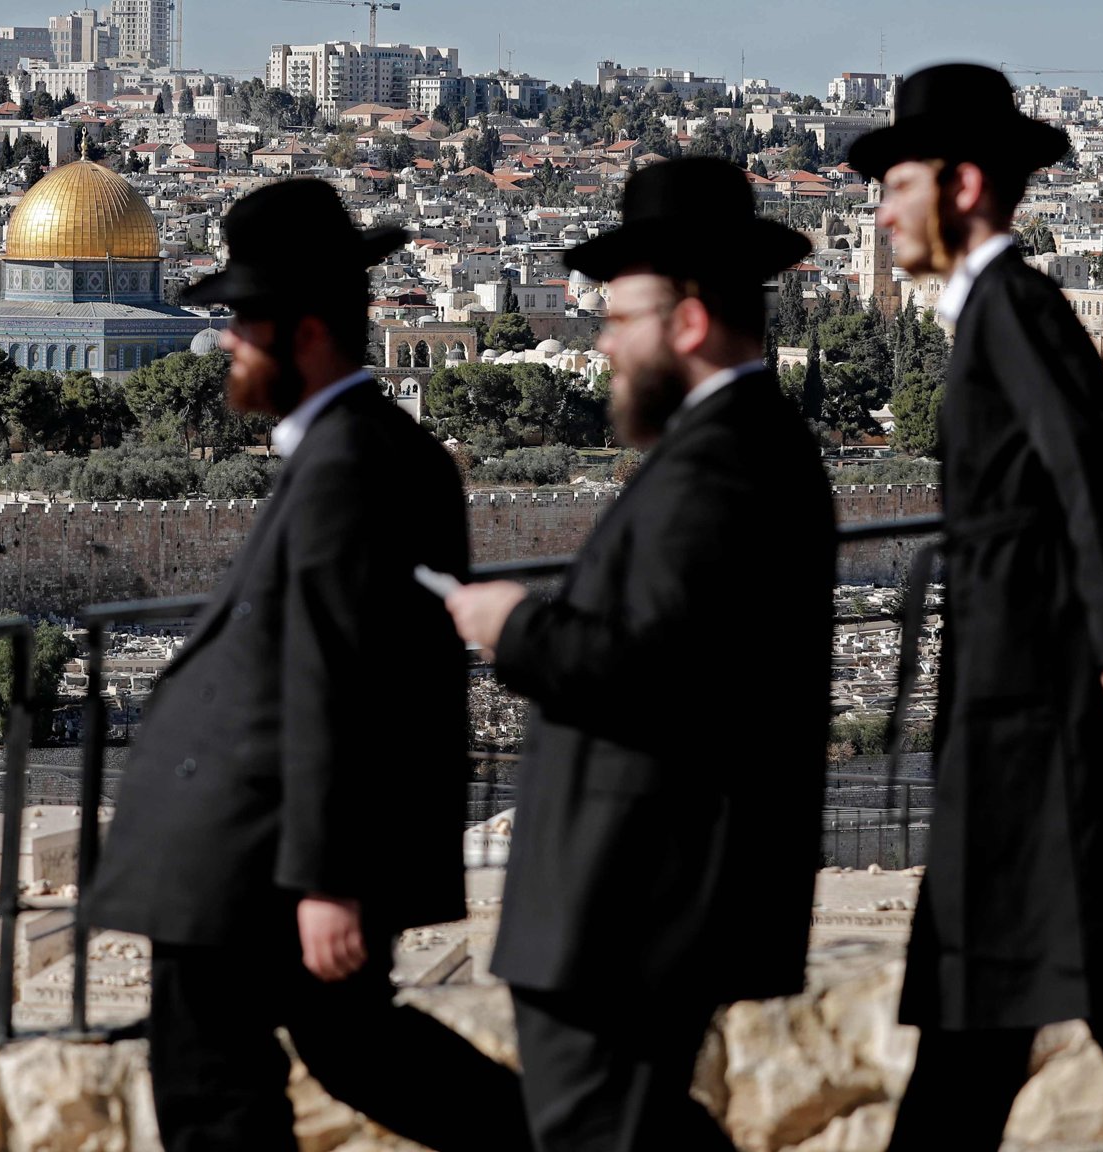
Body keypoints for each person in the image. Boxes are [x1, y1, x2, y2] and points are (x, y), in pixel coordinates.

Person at [86, 179, 533, 1152]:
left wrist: (332, 877)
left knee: (216, 1092)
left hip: (257, 858)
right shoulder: (364, 449)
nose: (226, 340)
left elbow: (341, 675)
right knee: (350, 1048)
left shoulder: (346, 464)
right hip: (271, 849)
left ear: (309, 332)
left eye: (245, 319)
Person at [850, 62, 1103, 1150]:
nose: (879, 207)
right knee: (1061, 1018)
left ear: (962, 183)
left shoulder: (1009, 307)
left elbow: (1088, 468)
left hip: (1038, 727)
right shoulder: (995, 310)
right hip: (1022, 720)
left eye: (896, 182)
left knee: (1029, 1018)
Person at [444, 157, 835, 1152]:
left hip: (629, 898)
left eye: (616, 322)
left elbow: (656, 668)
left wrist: (511, 627)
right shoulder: (739, 444)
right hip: (641, 893)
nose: (603, 349)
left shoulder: (721, 463)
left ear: (688, 324)